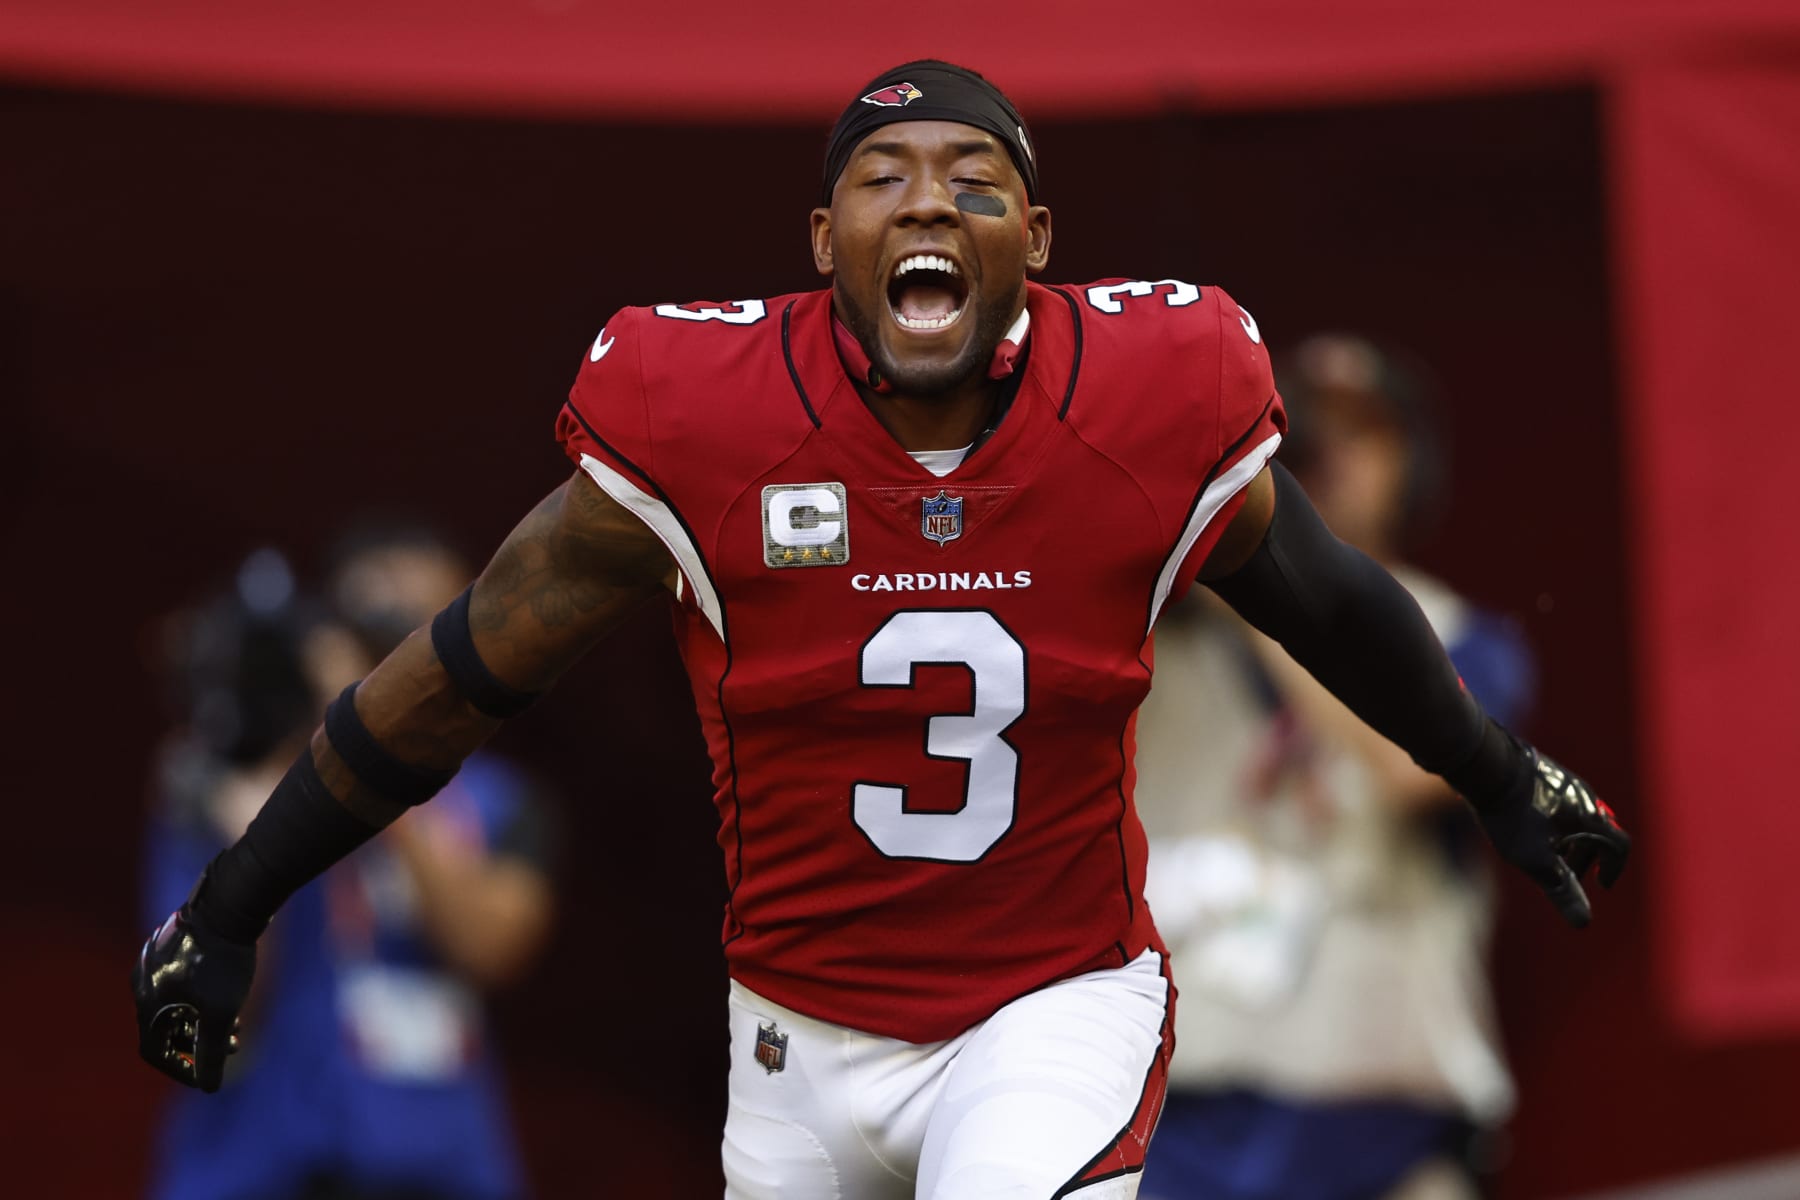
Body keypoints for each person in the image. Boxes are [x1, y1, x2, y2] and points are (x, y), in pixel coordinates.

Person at [132, 60, 1629, 1200]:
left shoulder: (1146, 397)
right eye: (886, 178)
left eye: (975, 181)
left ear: (1035, 239)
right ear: (824, 239)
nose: (928, 201)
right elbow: (450, 681)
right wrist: (234, 901)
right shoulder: (704, 423)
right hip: (793, 1037)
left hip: (1051, 1006)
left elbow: (1336, 604)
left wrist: (1498, 774)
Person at [1133, 335, 1535, 1200]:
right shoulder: (1157, 630)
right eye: (1310, 437)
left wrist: (1263, 588)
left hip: (1375, 1104)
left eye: (1366, 433)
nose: (1337, 458)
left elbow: (1411, 776)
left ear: (1415, 461)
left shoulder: (1463, 634)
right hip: (1188, 1100)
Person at [141, 539, 555, 1200]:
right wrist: (259, 844)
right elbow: (194, 1016)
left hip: (435, 1168)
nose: (415, 658)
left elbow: (495, 946)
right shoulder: (230, 787)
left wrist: (366, 754)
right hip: (255, 1167)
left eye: (437, 628)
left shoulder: (496, 799)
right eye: (383, 633)